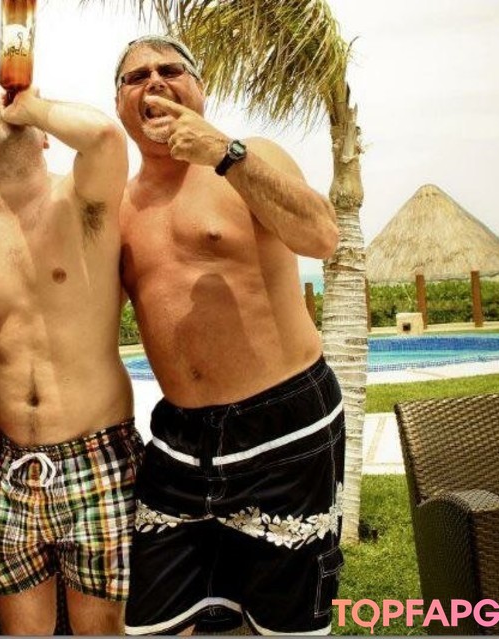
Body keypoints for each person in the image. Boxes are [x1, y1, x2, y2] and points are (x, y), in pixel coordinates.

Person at [112, 35, 345, 636]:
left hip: (285, 425)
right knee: (154, 625)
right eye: (136, 76)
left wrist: (224, 152)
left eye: (170, 70)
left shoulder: (251, 157)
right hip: (180, 440)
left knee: (285, 625)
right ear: (119, 103)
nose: (154, 82)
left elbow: (322, 236)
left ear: (200, 89)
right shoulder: (118, 207)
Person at [0, 78, 141, 635]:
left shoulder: (82, 200)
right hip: (7, 463)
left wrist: (33, 105)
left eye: (15, 101)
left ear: (46, 135)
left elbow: (104, 136)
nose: (5, 106)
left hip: (96, 454)